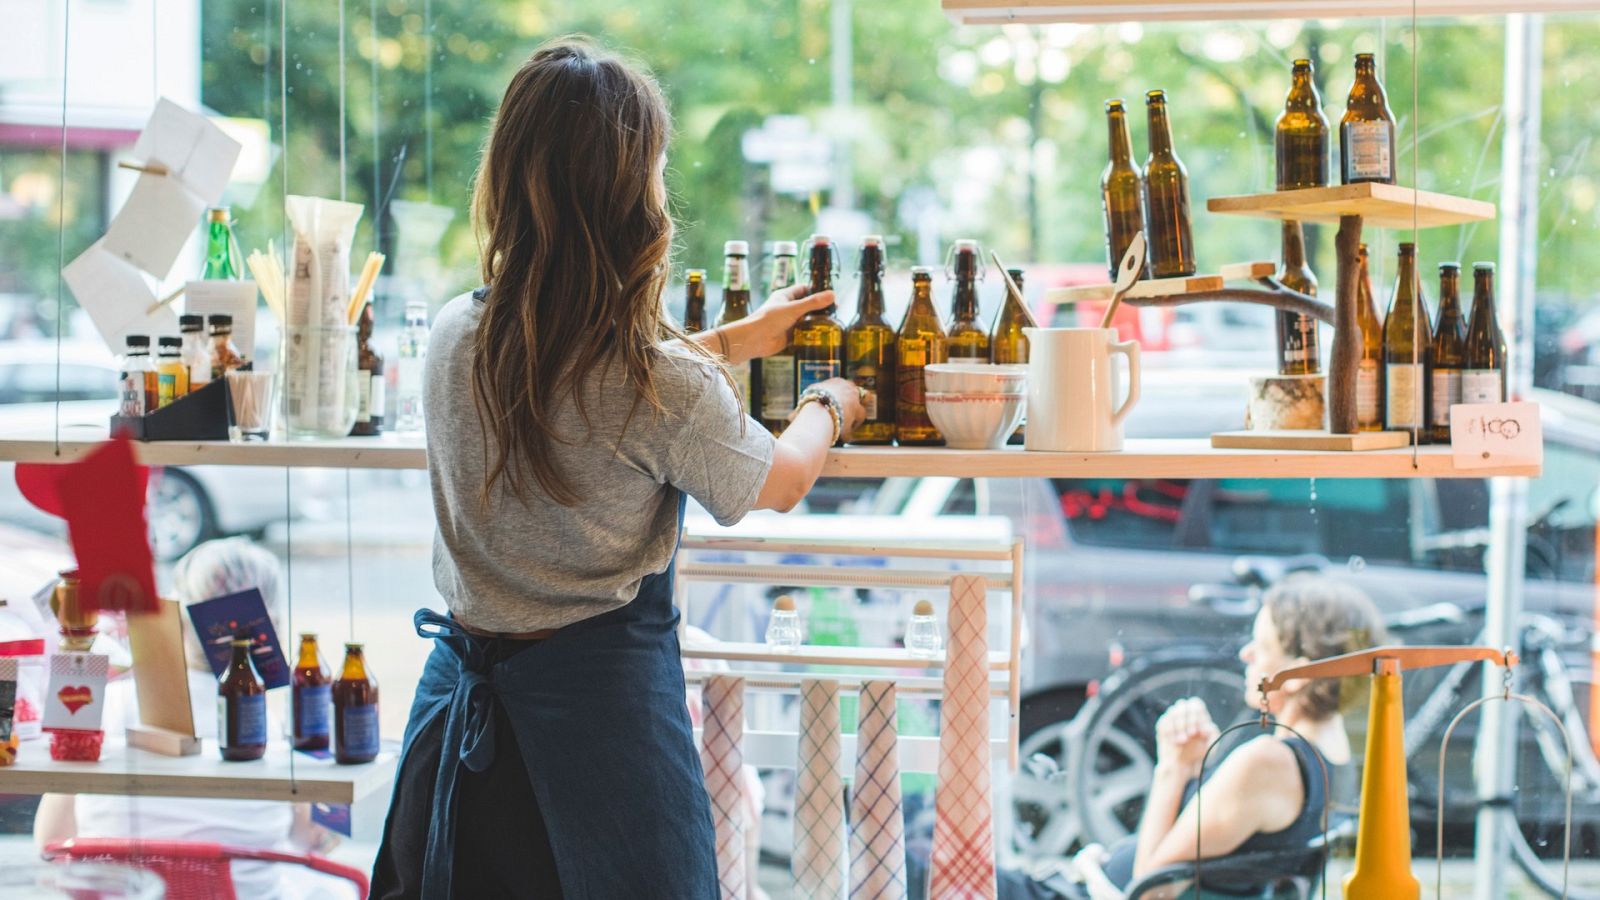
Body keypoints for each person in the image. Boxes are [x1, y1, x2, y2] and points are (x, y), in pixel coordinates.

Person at [369, 37, 866, 899]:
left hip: (460, 715)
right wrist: (832, 404)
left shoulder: (457, 332)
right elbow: (777, 482)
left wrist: (727, 345)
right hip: (598, 735)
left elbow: (576, 386)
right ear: (633, 195)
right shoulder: (656, 381)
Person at [998, 575, 1387, 899]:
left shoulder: (1269, 761)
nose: (1246, 654)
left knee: (943, 872)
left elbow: (1150, 891)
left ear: (1300, 675)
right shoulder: (1335, 758)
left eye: (1263, 646)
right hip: (1078, 885)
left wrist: (1174, 767)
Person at [33, 538, 353, 900]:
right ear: (270, 627)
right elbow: (315, 840)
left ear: (177, 621)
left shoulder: (107, 705)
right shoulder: (274, 725)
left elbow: (51, 843)